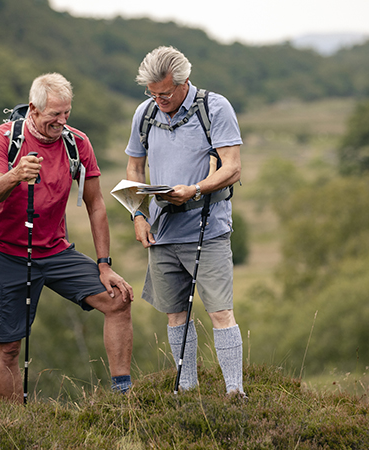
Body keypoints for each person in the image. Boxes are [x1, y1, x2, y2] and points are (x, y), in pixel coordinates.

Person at [0, 73, 134, 401]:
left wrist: (104, 264)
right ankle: (10, 424)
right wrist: (16, 174)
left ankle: (124, 396)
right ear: (33, 110)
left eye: (67, 113)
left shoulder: (77, 143)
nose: (62, 121)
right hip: (4, 250)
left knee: (118, 299)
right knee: (8, 348)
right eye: (54, 114)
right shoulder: (5, 137)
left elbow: (95, 204)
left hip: (53, 249)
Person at [125, 46, 245, 396]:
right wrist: (137, 213)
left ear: (183, 83)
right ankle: (187, 390)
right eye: (151, 92)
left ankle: (235, 392)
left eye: (164, 92)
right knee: (175, 314)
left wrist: (194, 189)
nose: (158, 99)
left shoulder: (215, 107)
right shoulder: (145, 113)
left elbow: (233, 167)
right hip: (162, 231)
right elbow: (134, 168)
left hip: (208, 229)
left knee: (220, 312)